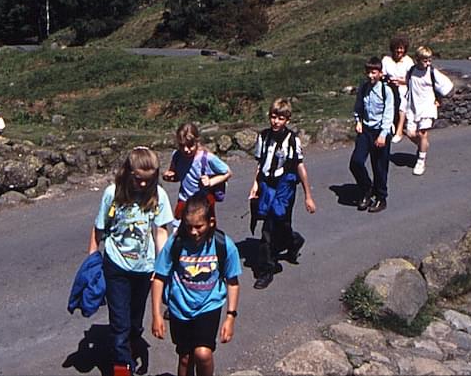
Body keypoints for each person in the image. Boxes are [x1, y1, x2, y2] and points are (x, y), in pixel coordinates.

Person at [89, 146, 174, 376]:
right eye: (139, 179)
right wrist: (92, 262)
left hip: (145, 268)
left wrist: (163, 267)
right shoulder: (112, 193)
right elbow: (99, 229)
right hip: (116, 264)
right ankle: (122, 367)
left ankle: (132, 341)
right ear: (128, 172)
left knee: (135, 320)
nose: (144, 185)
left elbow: (161, 232)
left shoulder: (158, 195)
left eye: (149, 180)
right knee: (120, 322)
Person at [150, 196, 241, 376]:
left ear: (211, 222)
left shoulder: (223, 245)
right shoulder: (175, 243)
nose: (193, 232)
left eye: (199, 226)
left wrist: (230, 317)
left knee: (203, 354)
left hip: (209, 305)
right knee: (185, 357)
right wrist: (156, 314)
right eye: (188, 226)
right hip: (179, 308)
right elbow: (159, 277)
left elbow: (232, 282)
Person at [248, 98, 317, 290]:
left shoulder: (292, 140)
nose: (275, 121)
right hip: (267, 185)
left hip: (284, 187)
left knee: (280, 222)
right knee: (267, 229)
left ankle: (293, 240)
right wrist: (255, 185)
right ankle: (266, 270)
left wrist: (308, 196)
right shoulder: (263, 137)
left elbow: (300, 167)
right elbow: (260, 164)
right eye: (273, 117)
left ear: (287, 119)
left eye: (280, 118)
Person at [350, 56, 395, 214]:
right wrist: (358, 120)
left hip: (380, 131)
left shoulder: (386, 90)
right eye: (368, 72)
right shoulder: (363, 88)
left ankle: (381, 197)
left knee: (380, 167)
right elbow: (358, 106)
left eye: (374, 72)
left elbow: (389, 114)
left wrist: (383, 134)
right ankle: (366, 189)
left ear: (380, 73)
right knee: (356, 162)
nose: (371, 76)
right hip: (366, 130)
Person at [403, 46, 454, 176]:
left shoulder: (432, 72)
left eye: (429, 60)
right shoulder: (411, 71)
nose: (428, 63)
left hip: (427, 107)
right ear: (417, 59)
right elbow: (408, 85)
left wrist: (439, 99)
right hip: (413, 107)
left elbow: (447, 86)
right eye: (425, 60)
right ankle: (423, 146)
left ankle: (421, 161)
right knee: (410, 133)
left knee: (422, 133)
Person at [383, 36, 413, 144]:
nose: (399, 51)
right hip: (389, 86)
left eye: (401, 48)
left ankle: (399, 130)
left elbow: (412, 79)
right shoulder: (386, 60)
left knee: (402, 102)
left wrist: (401, 82)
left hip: (403, 87)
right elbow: (382, 74)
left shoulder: (408, 61)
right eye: (397, 48)